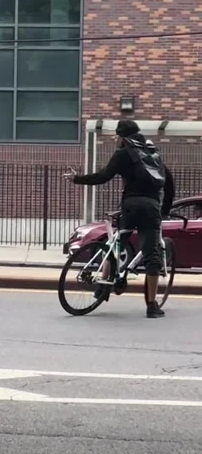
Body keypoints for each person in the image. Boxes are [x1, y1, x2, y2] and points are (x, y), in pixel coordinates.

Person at [68, 119, 174, 319]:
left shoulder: (123, 154)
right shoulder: (154, 156)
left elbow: (103, 176)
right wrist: (164, 211)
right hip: (151, 208)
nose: (115, 139)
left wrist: (77, 179)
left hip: (130, 206)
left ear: (123, 137)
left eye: (117, 135)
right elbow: (169, 186)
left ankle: (102, 286)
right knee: (152, 257)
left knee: (116, 245)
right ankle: (152, 306)